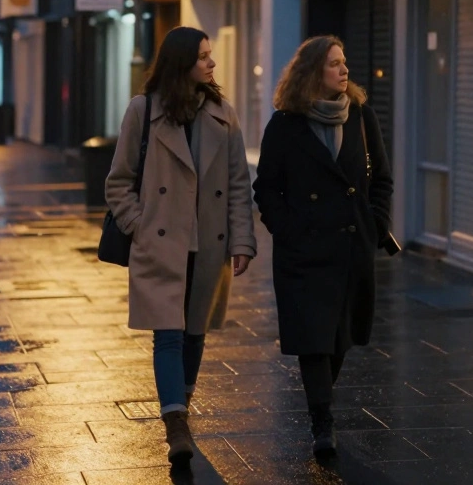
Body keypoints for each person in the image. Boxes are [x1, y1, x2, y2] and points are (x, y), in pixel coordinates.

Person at [104, 26, 257, 467]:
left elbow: (237, 185)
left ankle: (181, 407)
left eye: (211, 56)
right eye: (204, 57)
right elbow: (118, 181)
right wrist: (140, 225)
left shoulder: (223, 114)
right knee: (167, 336)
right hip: (161, 244)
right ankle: (176, 425)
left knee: (194, 336)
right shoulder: (143, 111)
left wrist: (242, 239)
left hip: (208, 246)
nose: (212, 64)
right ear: (182, 62)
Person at [253, 35, 393, 459]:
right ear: (313, 72)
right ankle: (322, 422)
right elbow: (267, 188)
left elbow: (381, 178)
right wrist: (288, 229)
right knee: (314, 338)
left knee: (338, 339)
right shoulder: (285, 124)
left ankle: (320, 404)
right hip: (304, 251)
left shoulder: (361, 116)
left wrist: (376, 223)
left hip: (351, 247)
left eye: (345, 62)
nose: (344, 69)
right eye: (334, 63)